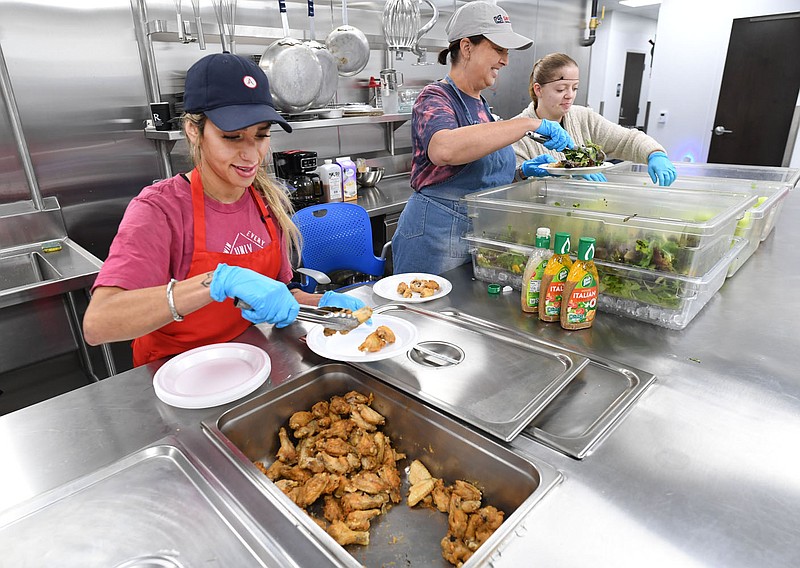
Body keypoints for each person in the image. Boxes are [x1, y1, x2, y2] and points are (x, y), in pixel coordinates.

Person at [82, 53, 364, 367]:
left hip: (248, 363)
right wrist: (215, 282)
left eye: (261, 135)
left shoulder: (266, 200)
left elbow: (271, 299)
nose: (250, 154)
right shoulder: (160, 209)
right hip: (175, 373)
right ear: (193, 130)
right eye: (231, 137)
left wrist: (322, 305)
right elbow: (99, 323)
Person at [391, 1, 575, 275]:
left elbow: (478, 175)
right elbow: (445, 150)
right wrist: (528, 123)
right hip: (434, 240)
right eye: (498, 49)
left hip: (476, 239)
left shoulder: (483, 108)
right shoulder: (435, 98)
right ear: (467, 47)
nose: (506, 60)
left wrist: (520, 173)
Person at [512, 52, 677, 186]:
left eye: (575, 88)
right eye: (561, 89)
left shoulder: (584, 118)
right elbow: (509, 185)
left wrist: (655, 154)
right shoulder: (517, 131)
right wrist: (563, 179)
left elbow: (627, 140)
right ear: (538, 89)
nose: (570, 95)